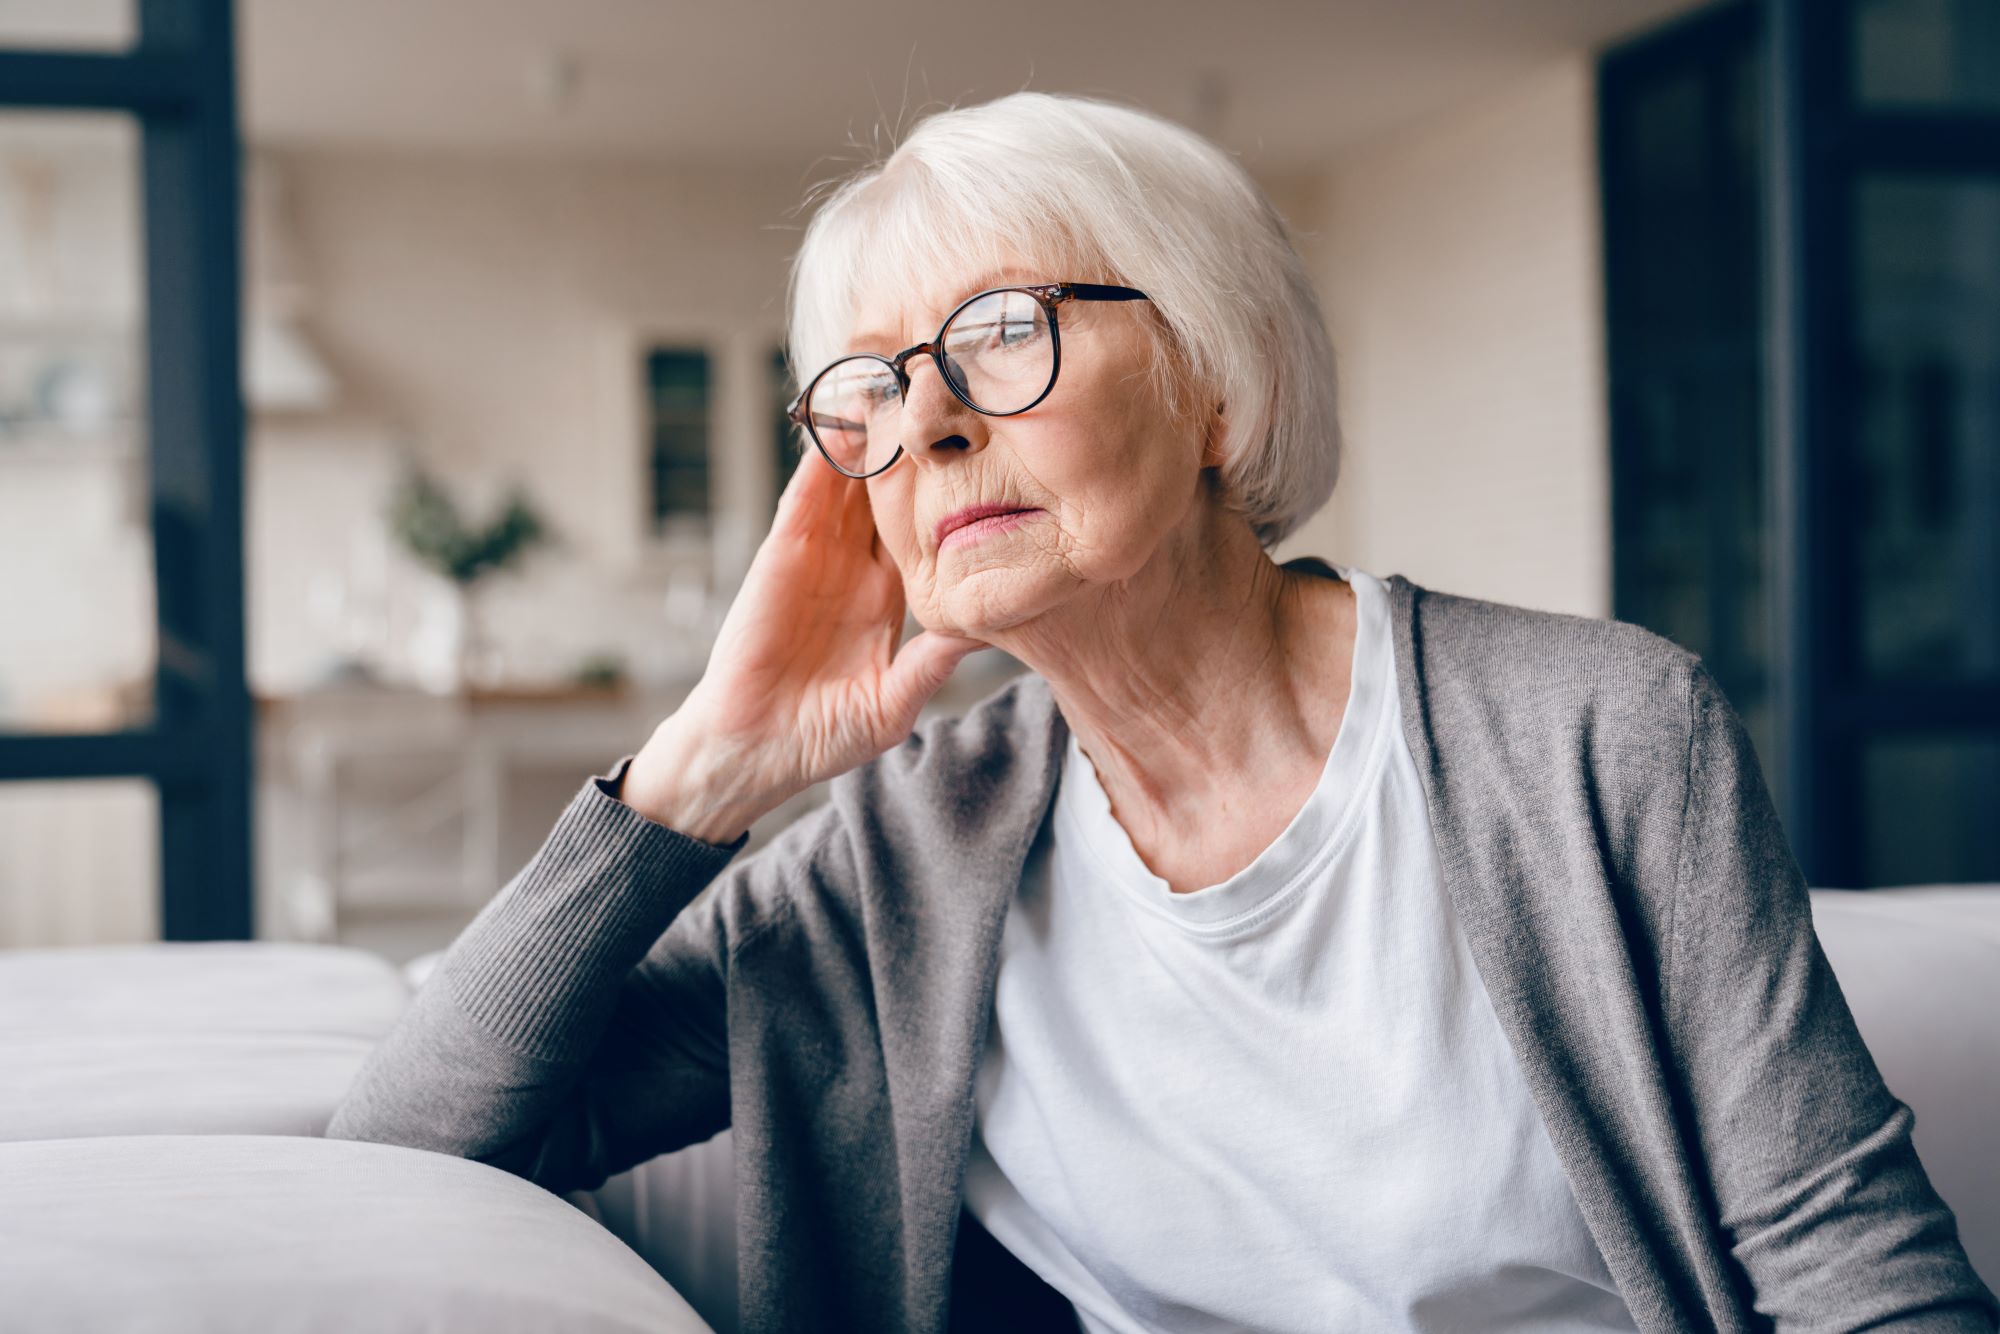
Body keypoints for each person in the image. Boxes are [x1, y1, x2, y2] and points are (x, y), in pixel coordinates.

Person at [326, 92, 1997, 1333]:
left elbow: (1866, 1279)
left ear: (1212, 381)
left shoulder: (1597, 734)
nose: (933, 426)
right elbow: (409, 1146)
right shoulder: (900, 853)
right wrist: (697, 772)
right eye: (874, 390)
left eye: (999, 338)